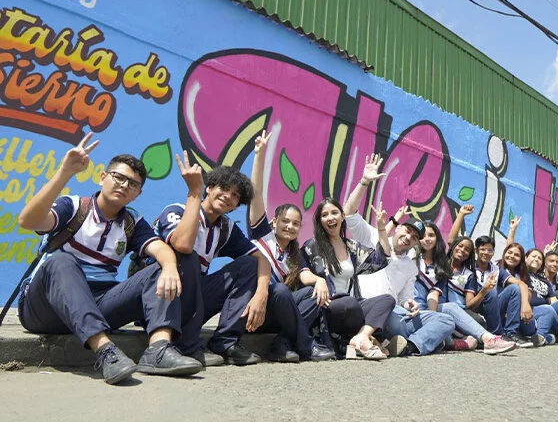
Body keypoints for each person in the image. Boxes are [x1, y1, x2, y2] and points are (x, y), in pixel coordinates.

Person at [18, 134, 202, 384]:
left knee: (163, 266)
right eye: (119, 177)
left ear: (137, 194)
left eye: (133, 184)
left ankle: (159, 349)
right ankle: (106, 352)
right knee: (61, 261)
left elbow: (160, 248)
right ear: (103, 177)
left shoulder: (132, 223)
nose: (124, 186)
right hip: (45, 308)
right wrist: (65, 171)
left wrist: (169, 266)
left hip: (99, 303)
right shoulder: (74, 207)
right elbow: (27, 221)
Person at [155, 153, 267, 366]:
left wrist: (261, 294)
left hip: (193, 300)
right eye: (223, 189)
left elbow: (261, 258)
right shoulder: (177, 211)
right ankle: (186, 344)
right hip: (161, 299)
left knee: (249, 265)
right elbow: (182, 245)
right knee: (187, 257)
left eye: (235, 195)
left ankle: (225, 341)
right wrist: (193, 193)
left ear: (235, 206)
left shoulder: (225, 228)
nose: (228, 196)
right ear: (208, 188)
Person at [342, 154, 455, 357]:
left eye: (414, 237)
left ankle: (408, 345)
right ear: (398, 227)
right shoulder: (374, 237)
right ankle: (404, 341)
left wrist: (409, 304)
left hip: (398, 312)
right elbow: (349, 214)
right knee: (433, 336)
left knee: (446, 321)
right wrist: (364, 182)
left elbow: (405, 297)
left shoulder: (411, 266)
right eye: (407, 231)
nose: (408, 237)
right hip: (372, 308)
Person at [246, 130, 334, 362]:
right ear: (274, 222)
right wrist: (259, 155)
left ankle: (282, 342)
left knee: (315, 293)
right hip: (254, 306)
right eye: (285, 221)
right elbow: (255, 193)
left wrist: (321, 280)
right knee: (282, 290)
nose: (290, 226)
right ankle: (305, 345)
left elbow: (306, 278)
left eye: (296, 223)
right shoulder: (261, 233)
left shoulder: (296, 253)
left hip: (277, 313)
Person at [298, 198, 396, 360]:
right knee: (349, 303)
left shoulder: (351, 247)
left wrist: (381, 229)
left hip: (353, 306)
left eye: (334, 213)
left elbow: (382, 259)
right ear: (320, 221)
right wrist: (318, 280)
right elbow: (302, 273)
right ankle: (370, 339)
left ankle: (361, 337)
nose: (330, 218)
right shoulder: (311, 246)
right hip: (329, 306)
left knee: (386, 300)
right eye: (325, 215)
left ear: (342, 216)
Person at [414, 222, 515, 355]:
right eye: (460, 246)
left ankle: (487, 338)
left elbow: (469, 303)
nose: (462, 250)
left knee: (477, 321)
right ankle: (479, 340)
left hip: (455, 311)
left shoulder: (468, 274)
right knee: (449, 315)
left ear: (470, 254)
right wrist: (461, 214)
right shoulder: (441, 263)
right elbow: (451, 239)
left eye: (467, 249)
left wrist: (484, 290)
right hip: (434, 308)